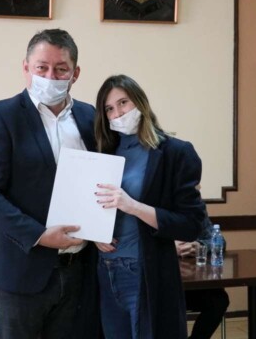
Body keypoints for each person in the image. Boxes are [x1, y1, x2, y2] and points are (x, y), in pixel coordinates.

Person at [0, 29, 99, 339]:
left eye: (61, 69)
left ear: (76, 73)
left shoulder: (90, 117)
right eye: (42, 67)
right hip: (20, 271)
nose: (51, 76)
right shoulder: (0, 115)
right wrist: (39, 235)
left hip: (81, 269)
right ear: (26, 67)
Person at [94, 74, 205, 339]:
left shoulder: (175, 152)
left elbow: (192, 224)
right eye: (109, 109)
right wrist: (95, 233)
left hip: (145, 270)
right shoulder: (102, 153)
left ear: (140, 102)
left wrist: (133, 206)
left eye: (123, 102)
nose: (118, 113)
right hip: (105, 269)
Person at [175, 205, 230, 339]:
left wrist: (200, 246)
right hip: (160, 284)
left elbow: (220, 241)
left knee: (219, 300)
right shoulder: (151, 205)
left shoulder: (194, 206)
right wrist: (168, 247)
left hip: (191, 283)